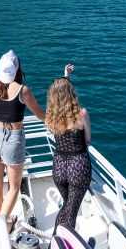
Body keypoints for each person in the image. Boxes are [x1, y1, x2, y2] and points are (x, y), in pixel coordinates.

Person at [0, 50, 46, 233]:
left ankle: (3, 220)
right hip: (13, 140)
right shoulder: (23, 90)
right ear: (17, 69)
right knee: (14, 187)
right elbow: (41, 115)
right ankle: (4, 225)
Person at [45, 64, 92, 234]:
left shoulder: (52, 117)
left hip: (59, 167)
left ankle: (58, 242)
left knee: (67, 206)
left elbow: (60, 93)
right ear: (72, 93)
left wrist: (65, 76)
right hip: (77, 166)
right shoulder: (81, 113)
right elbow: (87, 139)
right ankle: (57, 243)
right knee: (70, 213)